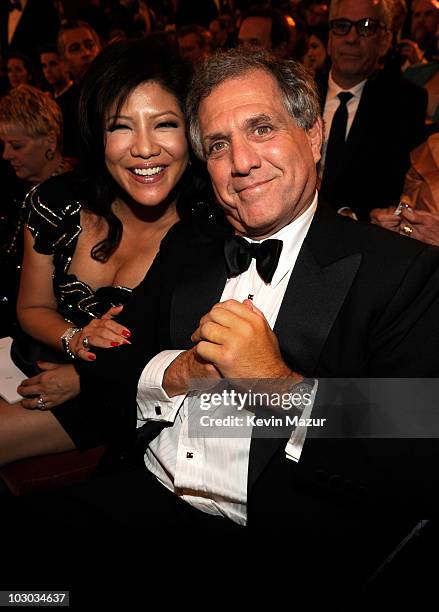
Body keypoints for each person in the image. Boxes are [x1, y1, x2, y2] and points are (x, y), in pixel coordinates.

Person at [45, 47, 439, 591]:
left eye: (261, 128)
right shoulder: (191, 245)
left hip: (269, 545)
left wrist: (276, 388)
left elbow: (417, 442)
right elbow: (108, 360)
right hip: (140, 493)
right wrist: (179, 371)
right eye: (218, 145)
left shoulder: (401, 273)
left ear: (315, 134)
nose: (242, 162)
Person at [0, 38, 209, 467]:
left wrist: (84, 377)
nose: (145, 148)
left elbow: (189, 365)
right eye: (121, 126)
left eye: (164, 124)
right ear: (99, 135)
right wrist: (76, 341)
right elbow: (32, 305)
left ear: (192, 133)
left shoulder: (211, 236)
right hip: (30, 362)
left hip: (125, 399)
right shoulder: (56, 203)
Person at [318, 0, 428, 219]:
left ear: (385, 40)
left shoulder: (405, 102)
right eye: (341, 26)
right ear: (329, 38)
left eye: (366, 27)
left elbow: (397, 188)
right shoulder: (297, 93)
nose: (351, 38)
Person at [0, 84, 73, 337]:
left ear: (50, 141)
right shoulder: (14, 190)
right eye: (5, 145)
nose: (6, 155)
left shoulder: (77, 199)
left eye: (16, 146)